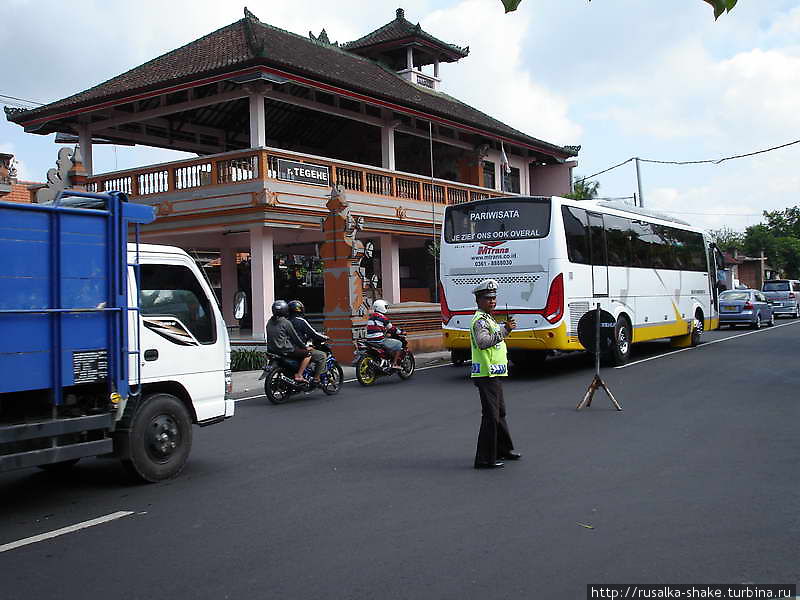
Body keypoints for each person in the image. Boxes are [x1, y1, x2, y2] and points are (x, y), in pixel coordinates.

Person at [469, 279, 521, 470]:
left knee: (500, 413)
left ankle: (503, 450)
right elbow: (483, 342)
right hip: (485, 374)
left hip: (494, 374)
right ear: (479, 301)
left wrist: (505, 327)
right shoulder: (479, 320)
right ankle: (484, 459)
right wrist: (506, 330)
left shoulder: (489, 319)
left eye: (493, 298)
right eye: (487, 298)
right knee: (491, 416)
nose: (492, 301)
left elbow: (496, 331)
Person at [266, 299, 311, 383]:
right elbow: (295, 338)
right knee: (308, 354)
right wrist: (305, 347)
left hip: (271, 350)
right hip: (285, 350)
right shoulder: (286, 322)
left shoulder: (269, 322)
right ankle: (299, 375)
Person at [287, 300, 328, 386]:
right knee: (322, 356)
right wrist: (325, 337)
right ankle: (316, 379)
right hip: (298, 349)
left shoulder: (286, 321)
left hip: (287, 348)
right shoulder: (301, 321)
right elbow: (313, 333)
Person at [365, 299, 403, 369]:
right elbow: (392, 328)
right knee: (399, 344)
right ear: (381, 307)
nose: (385, 308)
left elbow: (379, 328)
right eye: (385, 306)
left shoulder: (370, 317)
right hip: (379, 341)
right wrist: (401, 332)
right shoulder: (383, 318)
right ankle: (394, 364)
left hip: (369, 340)